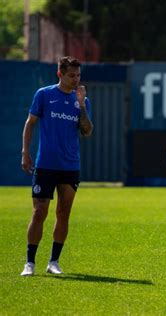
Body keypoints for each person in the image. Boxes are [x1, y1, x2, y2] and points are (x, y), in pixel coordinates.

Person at [20, 56, 93, 276]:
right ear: (60, 74)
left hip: (70, 166)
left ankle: (53, 261)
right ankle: (29, 263)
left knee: (63, 213)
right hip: (46, 165)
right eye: (72, 75)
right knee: (39, 212)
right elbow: (30, 123)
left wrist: (81, 105)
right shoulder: (44, 95)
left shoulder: (82, 101)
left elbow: (87, 131)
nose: (76, 79)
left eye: (78, 75)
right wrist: (25, 152)